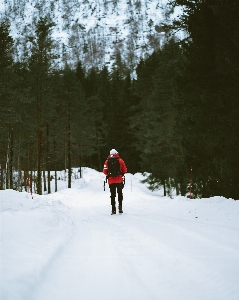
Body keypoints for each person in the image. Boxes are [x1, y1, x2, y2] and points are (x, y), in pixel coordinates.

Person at [103, 149, 127, 214]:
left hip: (111, 181)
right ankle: (120, 208)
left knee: (112, 195)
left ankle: (113, 209)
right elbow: (125, 170)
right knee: (119, 193)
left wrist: (110, 174)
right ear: (116, 153)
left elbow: (105, 171)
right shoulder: (121, 161)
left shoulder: (107, 161)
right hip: (119, 180)